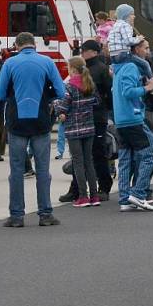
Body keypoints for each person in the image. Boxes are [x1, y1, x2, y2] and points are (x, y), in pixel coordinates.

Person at [0, 32, 66, 227]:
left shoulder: (9, 64)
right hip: (41, 121)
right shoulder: (47, 62)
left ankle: (16, 216)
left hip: (16, 121)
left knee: (16, 170)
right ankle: (45, 213)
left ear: (17, 45)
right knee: (43, 170)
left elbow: (0, 94)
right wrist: (48, 95)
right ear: (34, 44)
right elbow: (61, 91)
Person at [59, 39, 114, 202]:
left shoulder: (101, 69)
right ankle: (77, 189)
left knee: (97, 153)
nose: (82, 52)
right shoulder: (84, 70)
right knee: (80, 156)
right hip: (85, 117)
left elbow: (108, 94)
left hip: (96, 117)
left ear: (94, 52)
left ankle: (103, 186)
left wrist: (104, 110)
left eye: (85, 50)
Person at [114, 36, 153, 211]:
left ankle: (125, 199)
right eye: (145, 48)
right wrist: (148, 88)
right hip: (132, 118)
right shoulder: (131, 67)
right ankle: (139, 193)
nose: (148, 52)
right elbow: (128, 92)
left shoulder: (119, 68)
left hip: (122, 119)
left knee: (126, 159)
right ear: (136, 50)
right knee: (150, 155)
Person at [56, 57, 99, 207]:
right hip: (89, 128)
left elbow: (63, 108)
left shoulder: (69, 87)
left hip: (74, 129)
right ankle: (94, 195)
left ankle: (83, 196)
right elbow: (96, 101)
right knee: (89, 162)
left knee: (78, 162)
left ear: (73, 69)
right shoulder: (90, 84)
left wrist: (55, 105)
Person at [107, 4, 153, 79]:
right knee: (145, 64)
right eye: (132, 14)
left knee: (121, 70)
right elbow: (128, 41)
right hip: (123, 54)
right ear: (125, 15)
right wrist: (139, 38)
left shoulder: (115, 25)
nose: (134, 17)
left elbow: (109, 40)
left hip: (113, 55)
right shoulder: (125, 25)